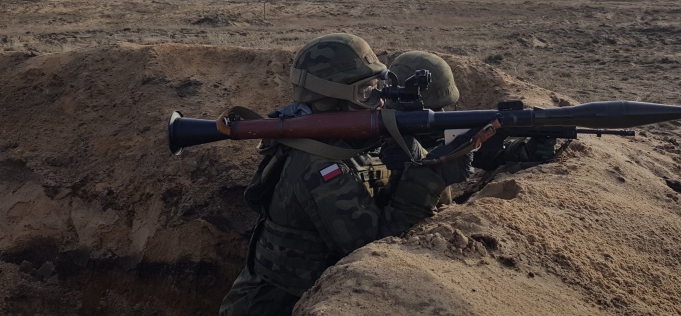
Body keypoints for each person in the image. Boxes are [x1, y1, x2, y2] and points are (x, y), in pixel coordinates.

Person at [219, 33, 474, 316]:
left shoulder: (352, 141)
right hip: (273, 307)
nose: (378, 101)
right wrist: (429, 175)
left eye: (377, 86)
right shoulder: (316, 165)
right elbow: (374, 253)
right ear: (330, 100)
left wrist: (413, 155)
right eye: (365, 92)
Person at [385, 50, 561, 173]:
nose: (441, 113)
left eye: (443, 106)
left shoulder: (436, 136)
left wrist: (524, 151)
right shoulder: (380, 141)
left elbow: (481, 154)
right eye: (432, 108)